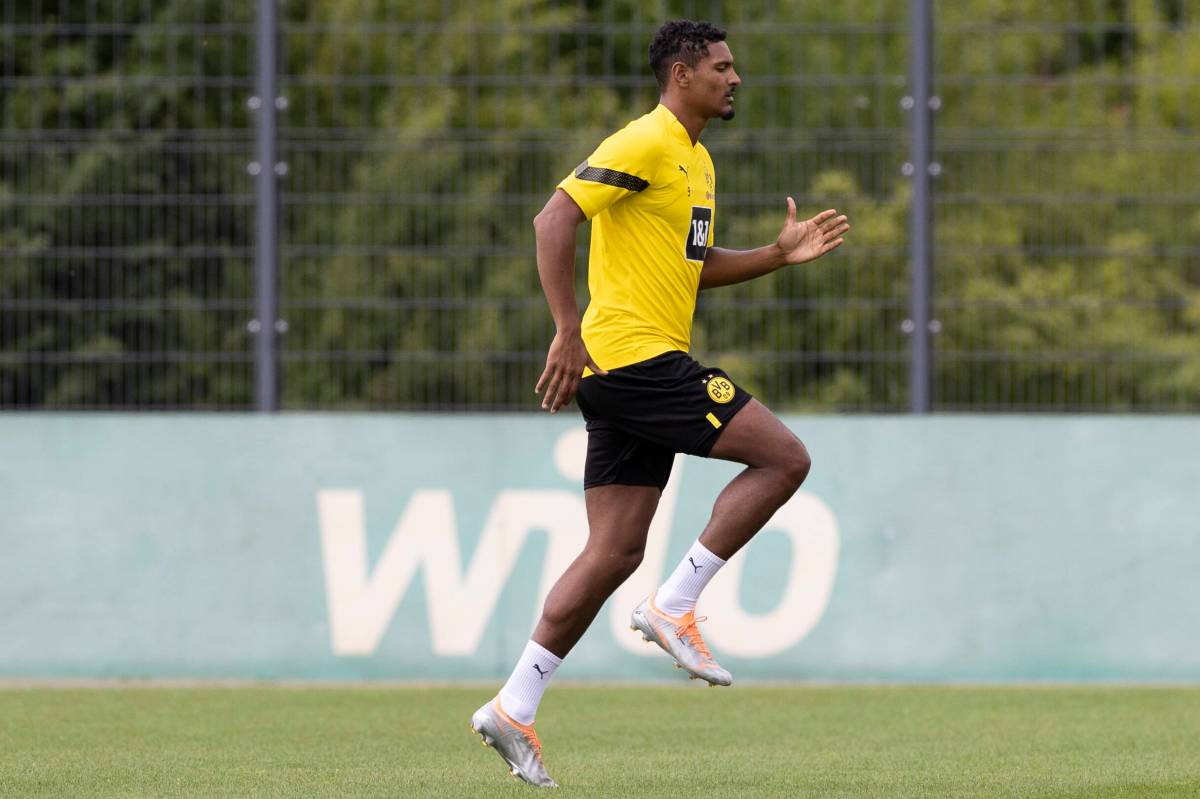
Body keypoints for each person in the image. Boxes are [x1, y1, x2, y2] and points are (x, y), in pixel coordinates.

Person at [471, 19, 849, 787]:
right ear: (682, 75)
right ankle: (675, 603)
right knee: (784, 457)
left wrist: (776, 256)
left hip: (624, 371)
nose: (734, 78)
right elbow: (554, 216)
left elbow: (693, 266)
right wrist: (566, 328)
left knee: (613, 550)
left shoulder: (697, 160)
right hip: (635, 359)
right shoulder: (643, 141)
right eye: (721, 67)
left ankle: (513, 704)